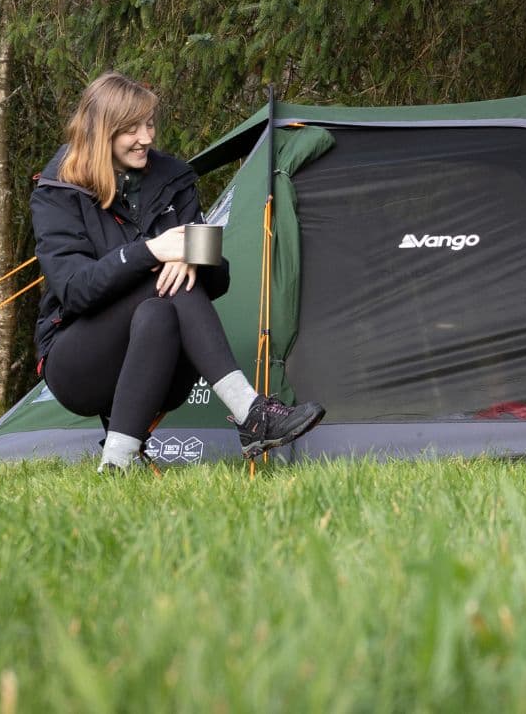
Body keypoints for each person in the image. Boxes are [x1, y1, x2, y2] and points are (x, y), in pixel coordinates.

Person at [31, 72, 324, 471]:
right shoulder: (58, 191)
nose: (147, 138)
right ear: (101, 133)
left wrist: (194, 254)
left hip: (164, 363)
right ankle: (251, 412)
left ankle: (117, 462)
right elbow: (75, 291)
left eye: (149, 124)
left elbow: (218, 281)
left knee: (163, 300)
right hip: (77, 363)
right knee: (161, 278)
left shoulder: (173, 178)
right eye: (131, 129)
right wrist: (153, 250)